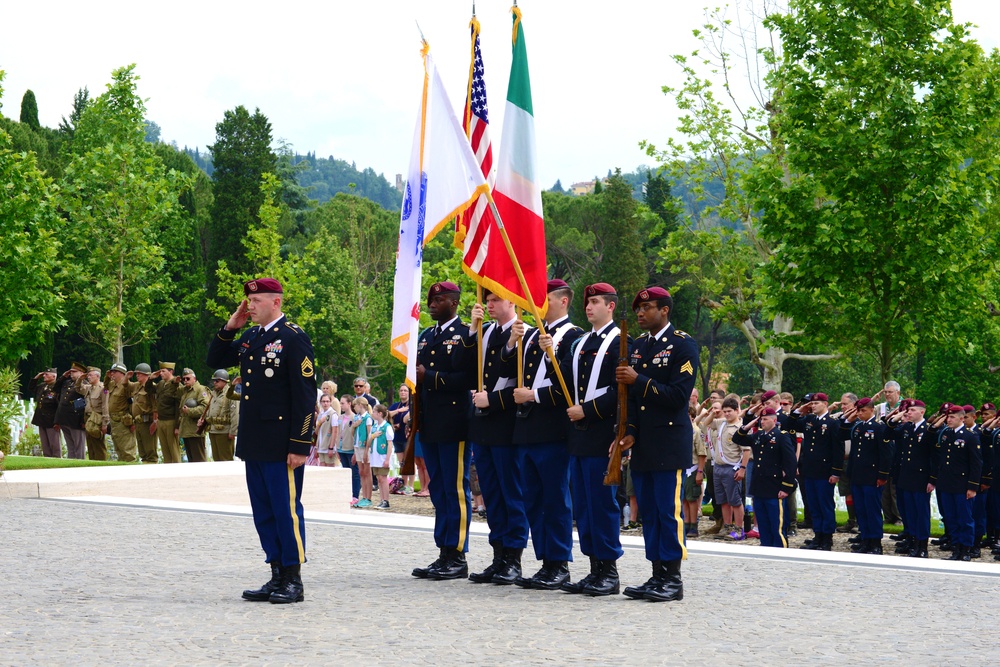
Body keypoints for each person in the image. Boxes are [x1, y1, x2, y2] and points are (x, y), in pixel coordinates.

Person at [206, 277, 316, 604]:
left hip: (282, 444)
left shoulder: (293, 338)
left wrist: (299, 444)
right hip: (255, 440)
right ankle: (276, 573)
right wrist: (231, 325)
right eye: (248, 302)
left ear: (275, 302)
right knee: (263, 511)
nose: (249, 307)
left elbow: (305, 395)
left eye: (255, 302)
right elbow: (215, 359)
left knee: (286, 510)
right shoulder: (251, 336)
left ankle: (293, 579)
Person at [617, 286, 699, 603]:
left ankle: (672, 578)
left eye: (647, 307)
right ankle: (656, 574)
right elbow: (635, 402)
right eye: (638, 308)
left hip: (668, 440)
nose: (640, 312)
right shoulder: (637, 347)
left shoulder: (682, 344)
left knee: (667, 512)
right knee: (648, 512)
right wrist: (631, 431)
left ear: (664, 310)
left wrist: (637, 379)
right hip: (644, 442)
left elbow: (678, 396)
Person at [504, 281, 584, 590]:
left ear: (563, 302)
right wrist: (512, 343)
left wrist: (534, 395)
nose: (540, 304)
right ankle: (544, 561)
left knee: (555, 499)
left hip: (552, 428)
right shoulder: (532, 335)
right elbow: (508, 370)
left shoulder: (572, 336)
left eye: (546, 299)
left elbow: (569, 385)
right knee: (533, 499)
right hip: (526, 427)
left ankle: (559, 563)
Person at [555, 282, 626, 596]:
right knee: (583, 505)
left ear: (610, 306)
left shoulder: (621, 343)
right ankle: (594, 566)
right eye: (587, 302)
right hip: (579, 435)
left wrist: (587, 410)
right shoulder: (581, 342)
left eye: (596, 302)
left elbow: (619, 392)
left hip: (602, 431)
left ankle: (609, 570)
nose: (589, 307)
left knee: (602, 504)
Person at [411, 281, 477, 581]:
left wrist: (431, 376)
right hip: (430, 423)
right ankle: (443, 551)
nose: (432, 304)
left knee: (455, 490)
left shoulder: (465, 335)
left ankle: (458, 554)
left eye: (438, 299)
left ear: (454, 302)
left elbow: (468, 378)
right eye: (430, 299)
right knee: (438, 490)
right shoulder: (425, 336)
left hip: (454, 423)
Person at [467, 289, 526, 586]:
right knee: (491, 494)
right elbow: (467, 366)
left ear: (511, 301)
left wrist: (493, 400)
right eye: (487, 300)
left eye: (495, 300)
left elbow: (521, 380)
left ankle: (513, 558)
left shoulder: (522, 332)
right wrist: (472, 329)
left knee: (510, 494)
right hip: (484, 427)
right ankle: (498, 555)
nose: (489, 304)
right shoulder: (485, 331)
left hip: (506, 425)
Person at [732, 408, 797, 548]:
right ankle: (766, 546)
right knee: (763, 521)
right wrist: (749, 425)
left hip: (774, 486)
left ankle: (780, 548)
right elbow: (737, 439)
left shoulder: (781, 436)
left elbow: (790, 463)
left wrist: (786, 487)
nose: (762, 421)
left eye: (766, 419)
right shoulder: (758, 435)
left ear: (774, 420)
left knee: (776, 523)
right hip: (759, 485)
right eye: (761, 419)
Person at [788, 393, 843, 551]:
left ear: (825, 404)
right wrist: (799, 410)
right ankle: (818, 534)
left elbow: (837, 450)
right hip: (810, 470)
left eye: (816, 403)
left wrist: (836, 472)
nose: (813, 406)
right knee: (813, 505)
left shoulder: (832, 423)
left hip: (824, 471)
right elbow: (790, 424)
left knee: (825, 504)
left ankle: (827, 537)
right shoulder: (809, 420)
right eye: (812, 403)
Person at [930, 405, 983, 561]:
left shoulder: (970, 436)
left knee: (965, 519)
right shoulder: (946, 434)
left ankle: (966, 549)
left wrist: (973, 486)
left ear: (962, 418)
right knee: (951, 518)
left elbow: (976, 463)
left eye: (952, 417)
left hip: (962, 485)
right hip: (947, 484)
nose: (949, 419)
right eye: (948, 417)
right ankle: (956, 548)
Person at [840, 397, 890, 555]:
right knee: (861, 510)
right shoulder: (857, 427)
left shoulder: (879, 428)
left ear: (871, 410)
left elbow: (885, 453)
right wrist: (850, 418)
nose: (860, 414)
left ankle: (875, 543)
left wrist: (882, 474)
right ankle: (865, 539)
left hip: (872, 476)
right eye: (858, 411)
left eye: (863, 411)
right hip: (857, 475)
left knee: (872, 510)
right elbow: (842, 434)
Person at [884, 399, 933, 557]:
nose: (908, 413)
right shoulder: (907, 427)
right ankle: (913, 542)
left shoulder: (929, 430)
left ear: (922, 412)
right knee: (910, 513)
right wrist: (896, 417)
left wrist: (932, 479)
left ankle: (922, 545)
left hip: (921, 478)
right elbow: (888, 433)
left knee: (921, 513)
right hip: (906, 477)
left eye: (912, 410)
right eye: (908, 410)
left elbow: (934, 458)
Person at [699, 396, 746, 540]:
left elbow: (746, 450)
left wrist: (742, 469)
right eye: (724, 411)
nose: (726, 414)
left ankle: (739, 528)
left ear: (737, 410)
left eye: (729, 411)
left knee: (735, 500)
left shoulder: (741, 428)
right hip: (718, 466)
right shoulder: (722, 423)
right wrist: (713, 411)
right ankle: (727, 526)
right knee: (723, 500)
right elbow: (704, 424)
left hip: (732, 467)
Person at [148, 363, 183, 463]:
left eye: (163, 371)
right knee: (165, 449)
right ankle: (168, 472)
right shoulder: (161, 384)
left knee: (173, 449)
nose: (161, 373)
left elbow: (178, 407)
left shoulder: (176, 385)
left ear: (171, 371)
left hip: (171, 421)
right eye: (160, 371)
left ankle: (177, 470)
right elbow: (149, 390)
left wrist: (177, 426)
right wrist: (151, 379)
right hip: (161, 420)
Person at [53, 362, 88, 459]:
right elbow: (55, 389)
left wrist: (83, 421)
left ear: (81, 373)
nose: (71, 374)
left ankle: (80, 465)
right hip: (64, 418)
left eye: (74, 372)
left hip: (76, 420)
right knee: (70, 446)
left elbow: (84, 404)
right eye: (71, 372)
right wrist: (63, 377)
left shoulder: (85, 385)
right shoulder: (67, 382)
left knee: (78, 446)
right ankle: (71, 464)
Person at [105, 363, 138, 462]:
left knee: (127, 452)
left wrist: (133, 422)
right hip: (114, 422)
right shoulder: (112, 384)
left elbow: (132, 403)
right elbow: (105, 386)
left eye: (114, 372)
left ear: (122, 373)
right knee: (119, 450)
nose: (112, 374)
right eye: (111, 372)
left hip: (123, 422)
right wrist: (107, 377)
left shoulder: (126, 387)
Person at [205, 369, 239, 462]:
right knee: (216, 460)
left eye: (217, 380)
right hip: (213, 431)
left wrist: (233, 431)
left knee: (226, 459)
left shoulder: (230, 394)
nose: (214, 382)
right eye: (214, 380)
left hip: (224, 431)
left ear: (225, 381)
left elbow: (235, 414)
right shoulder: (213, 394)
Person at [177, 368, 210, 463]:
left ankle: (202, 478)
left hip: (196, 430)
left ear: (194, 379)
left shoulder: (200, 389)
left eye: (188, 378)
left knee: (199, 459)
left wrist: (189, 411)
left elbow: (205, 409)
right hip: (186, 430)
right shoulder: (185, 391)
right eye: (184, 379)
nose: (185, 381)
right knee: (191, 461)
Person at [128, 363, 159, 463]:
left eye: (139, 374)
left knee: (150, 452)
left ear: (147, 375)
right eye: (136, 374)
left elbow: (155, 407)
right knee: (143, 453)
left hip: (148, 422)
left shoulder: (151, 388)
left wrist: (155, 422)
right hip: (139, 422)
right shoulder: (137, 386)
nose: (137, 375)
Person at [28, 368, 61, 458]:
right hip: (41, 419)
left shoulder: (57, 388)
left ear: (53, 376)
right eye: (44, 374)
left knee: (54, 444)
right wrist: (36, 378)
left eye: (47, 374)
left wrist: (58, 421)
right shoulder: (43, 386)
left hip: (51, 420)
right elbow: (31, 388)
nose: (44, 376)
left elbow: (59, 406)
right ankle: (47, 458)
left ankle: (56, 460)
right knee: (45, 443)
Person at [78, 366, 109, 461]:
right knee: (90, 445)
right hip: (88, 419)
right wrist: (80, 379)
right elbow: (77, 388)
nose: (88, 377)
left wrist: (104, 423)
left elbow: (105, 406)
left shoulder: (103, 388)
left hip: (97, 420)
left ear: (97, 376)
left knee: (98, 446)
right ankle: (92, 464)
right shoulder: (88, 388)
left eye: (91, 375)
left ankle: (101, 465)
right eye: (88, 375)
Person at [368, 404, 395, 509]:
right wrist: (373, 436)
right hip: (375, 456)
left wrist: (387, 459)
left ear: (380, 414)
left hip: (382, 456)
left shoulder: (387, 427)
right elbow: (369, 439)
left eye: (374, 412)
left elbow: (390, 444)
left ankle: (386, 500)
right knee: (379, 478)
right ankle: (381, 499)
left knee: (383, 478)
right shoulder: (375, 426)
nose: (373, 413)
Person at [337, 396, 361, 505]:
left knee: (354, 473)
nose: (341, 406)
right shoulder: (340, 418)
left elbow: (356, 435)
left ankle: (355, 495)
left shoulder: (355, 418)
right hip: (342, 448)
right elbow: (338, 433)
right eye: (340, 403)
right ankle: (347, 494)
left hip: (350, 449)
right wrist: (337, 447)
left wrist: (356, 452)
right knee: (346, 472)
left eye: (343, 403)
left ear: (349, 403)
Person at [350, 397, 375, 508]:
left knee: (367, 472)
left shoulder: (368, 418)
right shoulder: (357, 417)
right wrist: (354, 425)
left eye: (355, 406)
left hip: (365, 447)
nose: (354, 408)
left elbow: (369, 435)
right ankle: (363, 496)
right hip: (357, 446)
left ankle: (368, 497)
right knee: (361, 472)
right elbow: (353, 433)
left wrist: (366, 450)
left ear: (360, 405)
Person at [388, 384, 413, 492]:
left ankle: (410, 485)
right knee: (401, 462)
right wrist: (399, 411)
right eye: (401, 390)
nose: (403, 392)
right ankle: (403, 483)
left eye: (405, 391)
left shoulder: (411, 405)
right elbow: (387, 415)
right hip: (397, 436)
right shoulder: (396, 405)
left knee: (409, 461)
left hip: (407, 437)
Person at [314, 393, 338, 467]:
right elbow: (317, 432)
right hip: (321, 445)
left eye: (327, 401)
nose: (325, 403)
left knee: (329, 467)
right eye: (323, 401)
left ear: (330, 402)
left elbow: (335, 431)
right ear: (320, 402)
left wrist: (331, 447)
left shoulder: (333, 414)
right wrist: (319, 423)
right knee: (322, 467)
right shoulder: (321, 414)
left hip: (328, 446)